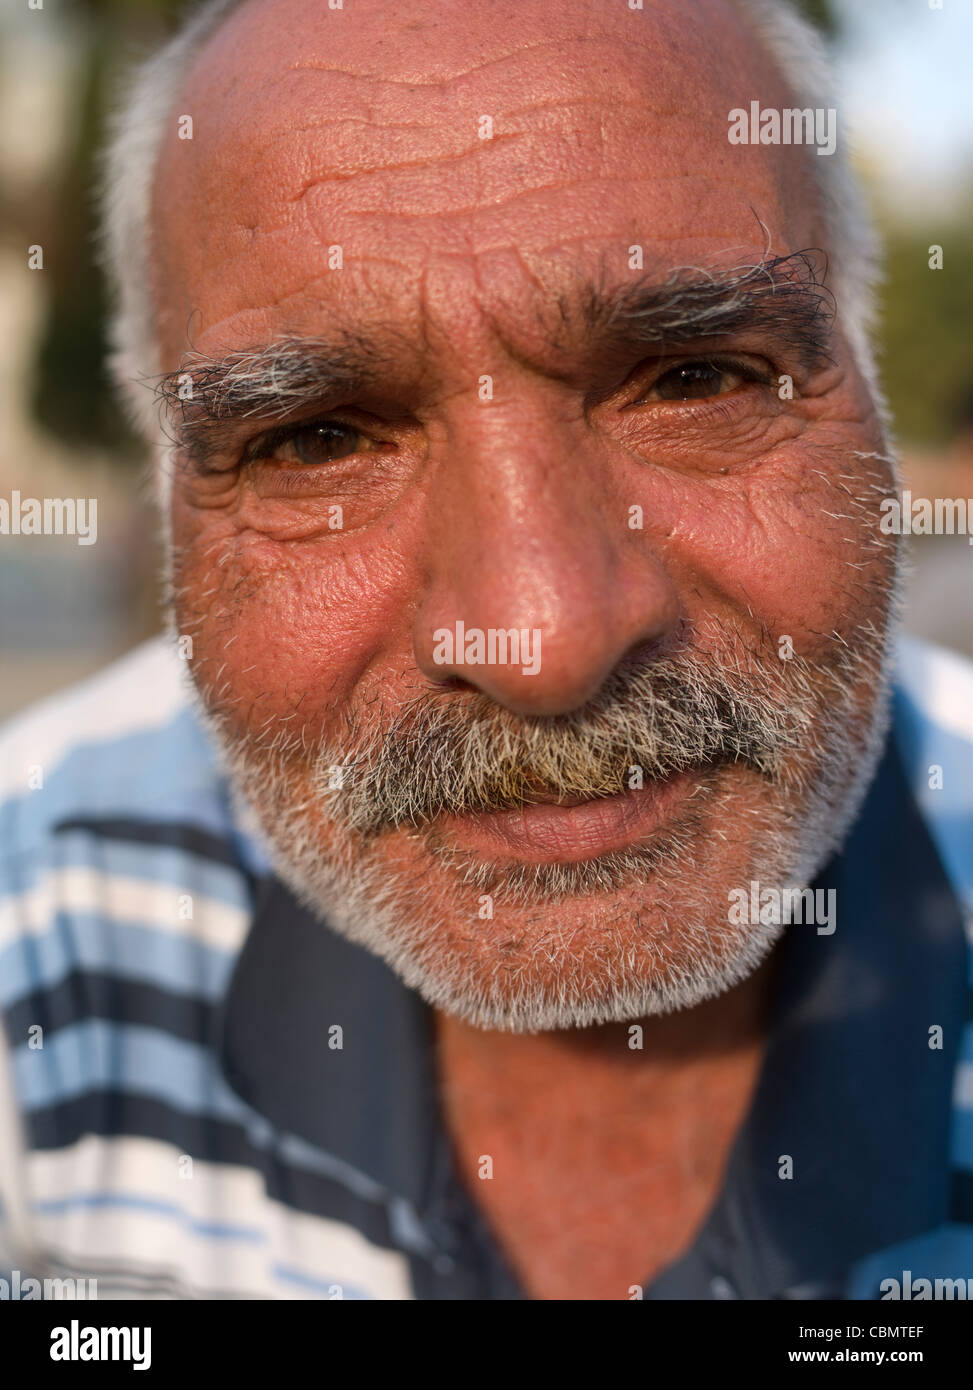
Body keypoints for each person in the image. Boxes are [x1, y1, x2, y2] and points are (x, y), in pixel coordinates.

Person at [1, 0, 971, 1301]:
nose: (548, 642)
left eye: (693, 378)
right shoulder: (34, 922)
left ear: (871, 392)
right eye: (316, 439)